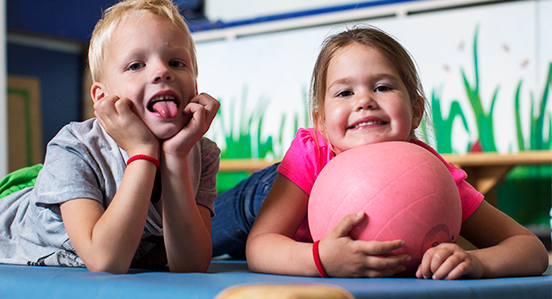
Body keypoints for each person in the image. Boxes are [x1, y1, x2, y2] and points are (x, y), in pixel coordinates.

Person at [213, 26, 549, 279]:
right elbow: (260, 247)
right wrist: (320, 260)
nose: (364, 101)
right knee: (174, 246)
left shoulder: (433, 178)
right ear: (321, 122)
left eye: (382, 87)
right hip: (262, 199)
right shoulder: (310, 154)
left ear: (415, 111)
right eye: (344, 92)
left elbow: (530, 249)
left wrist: (478, 262)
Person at [0, 0, 221, 274]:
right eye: (136, 65)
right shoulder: (73, 145)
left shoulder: (202, 153)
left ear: (194, 85)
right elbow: (106, 261)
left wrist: (175, 158)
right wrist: (142, 151)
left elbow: (191, 265)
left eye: (177, 63)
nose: (161, 72)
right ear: (102, 97)